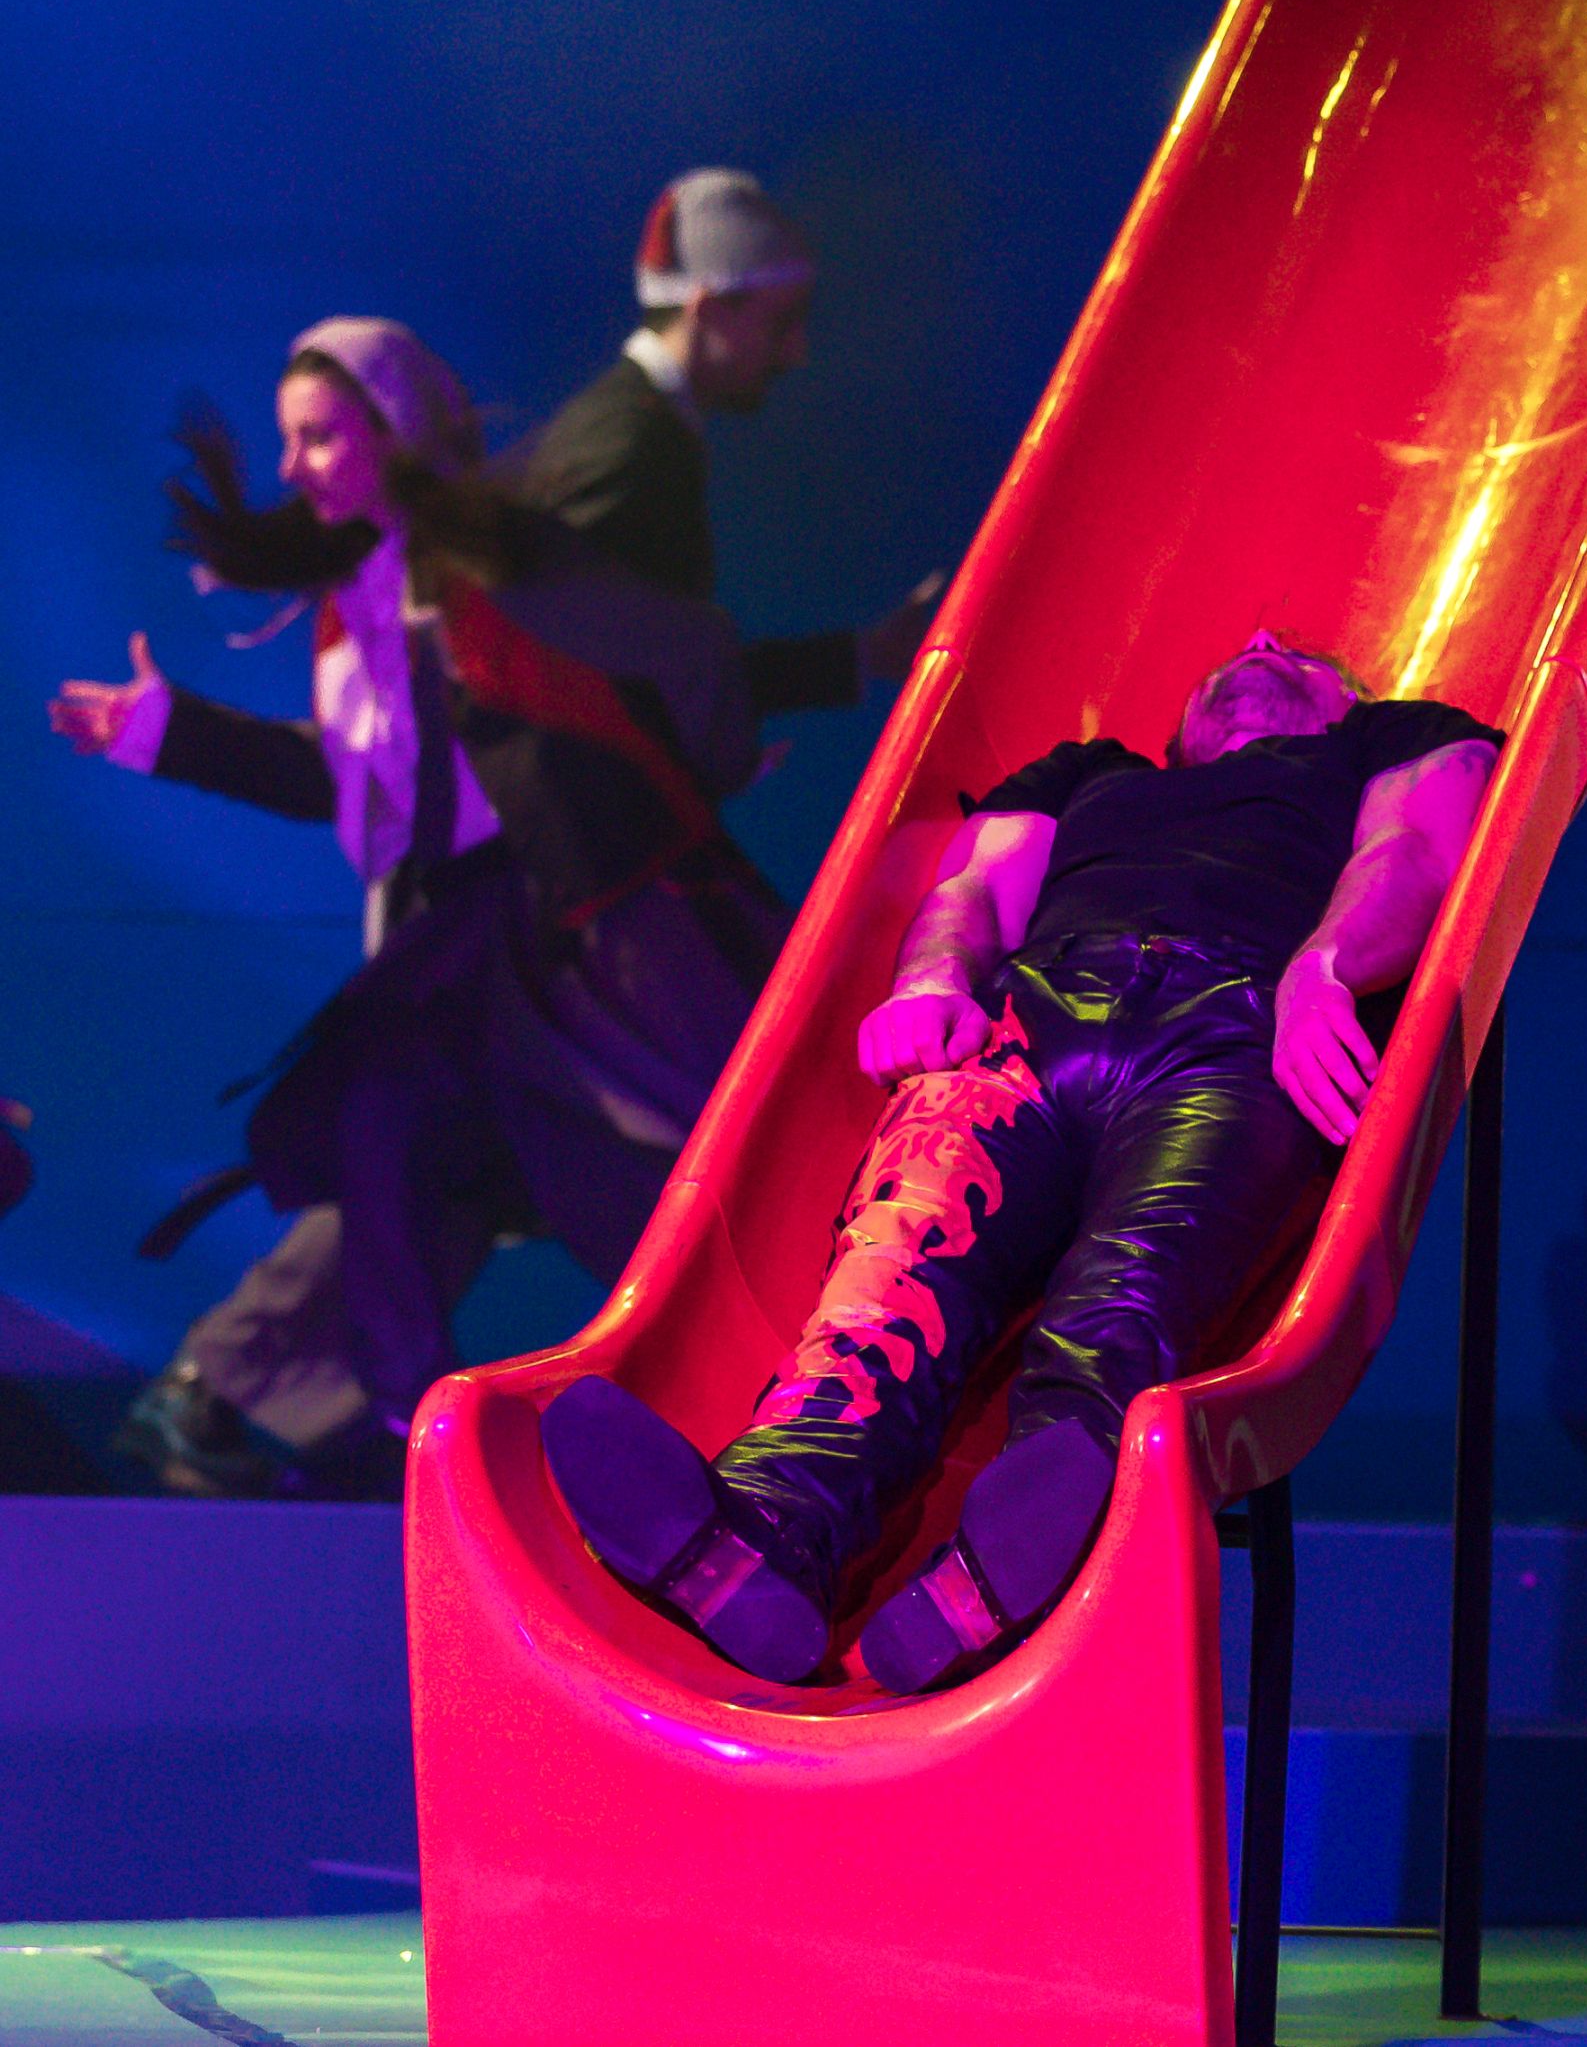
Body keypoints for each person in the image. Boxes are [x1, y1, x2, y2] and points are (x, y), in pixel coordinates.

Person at [539, 634, 1496, 1693]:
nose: (1261, 643)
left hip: (1239, 1026)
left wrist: (1325, 970)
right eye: (1233, 651)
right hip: (1027, 1019)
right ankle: (765, 1528)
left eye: (1302, 655)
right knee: (891, 1281)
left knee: (1122, 1305)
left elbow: (1413, 848)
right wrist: (931, 983)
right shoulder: (1090, 774)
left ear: (1348, 700)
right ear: (1177, 731)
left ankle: (1004, 1574)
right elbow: (975, 891)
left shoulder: (1384, 740)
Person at [52, 319, 786, 1498]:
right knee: (392, 1149)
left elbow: (688, 652)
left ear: (391, 429)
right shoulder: (353, 602)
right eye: (288, 440)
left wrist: (698, 766)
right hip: (453, 940)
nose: (292, 466)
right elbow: (346, 776)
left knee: (604, 1171)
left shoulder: (500, 564)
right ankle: (335, 1410)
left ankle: (750, 1401)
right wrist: (166, 730)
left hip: (565, 935)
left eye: (319, 435)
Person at [524, 167, 942, 716]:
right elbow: (569, 683)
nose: (796, 352)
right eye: (782, 323)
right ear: (708, 307)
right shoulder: (626, 447)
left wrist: (866, 655)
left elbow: (665, 670)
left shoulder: (638, 428)